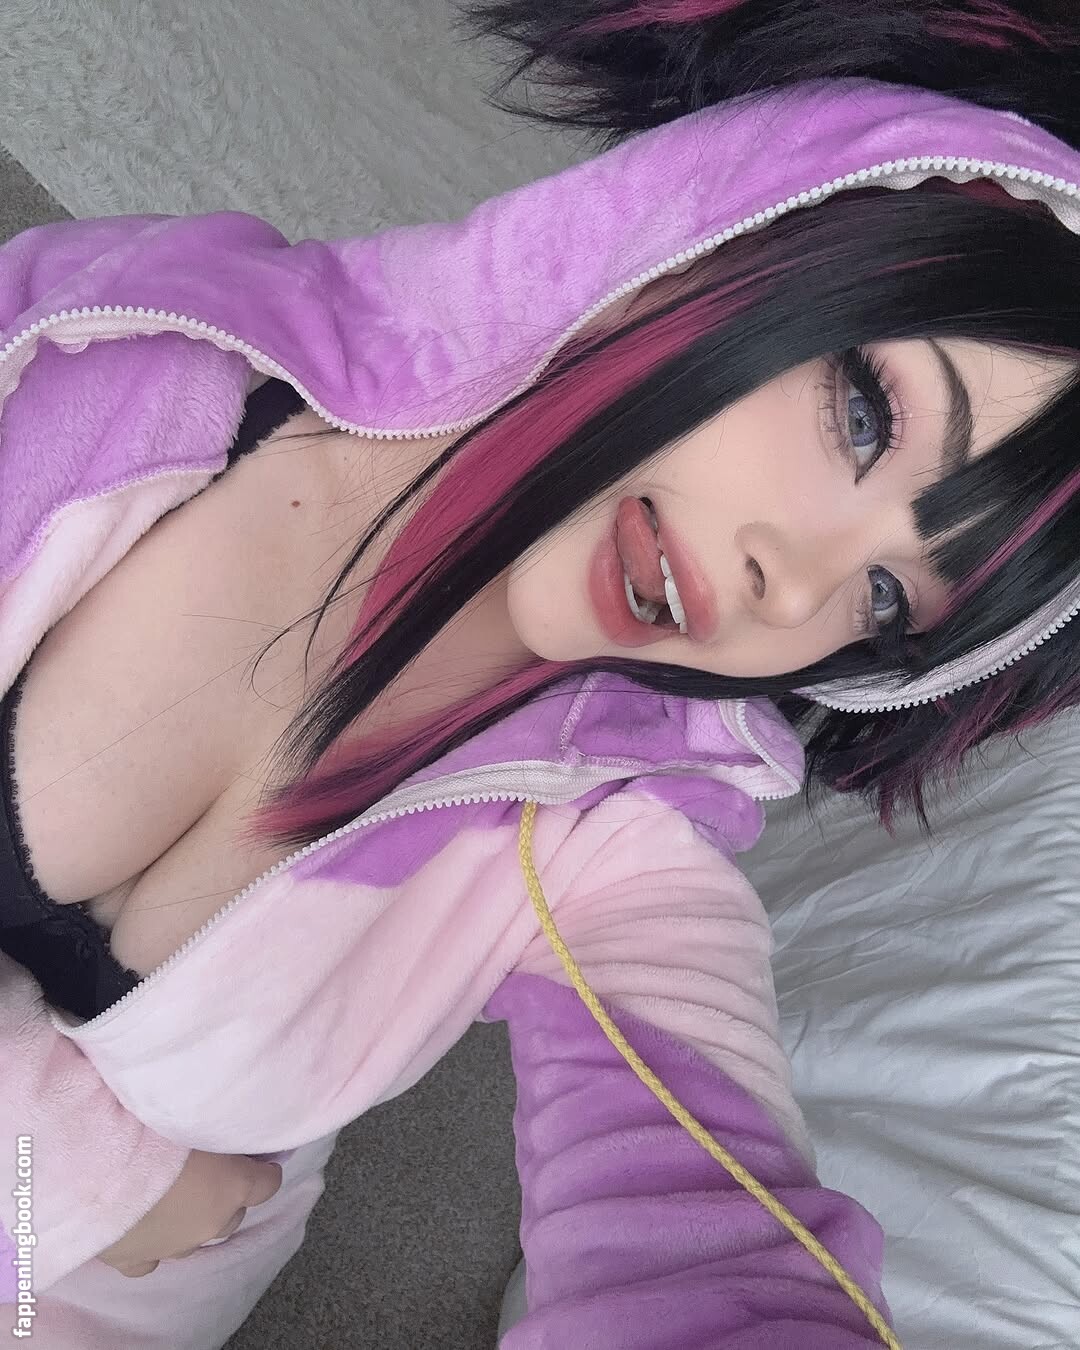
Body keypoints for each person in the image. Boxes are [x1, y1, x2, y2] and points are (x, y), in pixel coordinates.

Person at [1, 1, 1077, 1345]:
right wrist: (88, 1170)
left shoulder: (617, 833)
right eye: (865, 415)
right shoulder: (113, 351)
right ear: (736, 226)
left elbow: (707, 1228)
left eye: (885, 598)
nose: (792, 590)